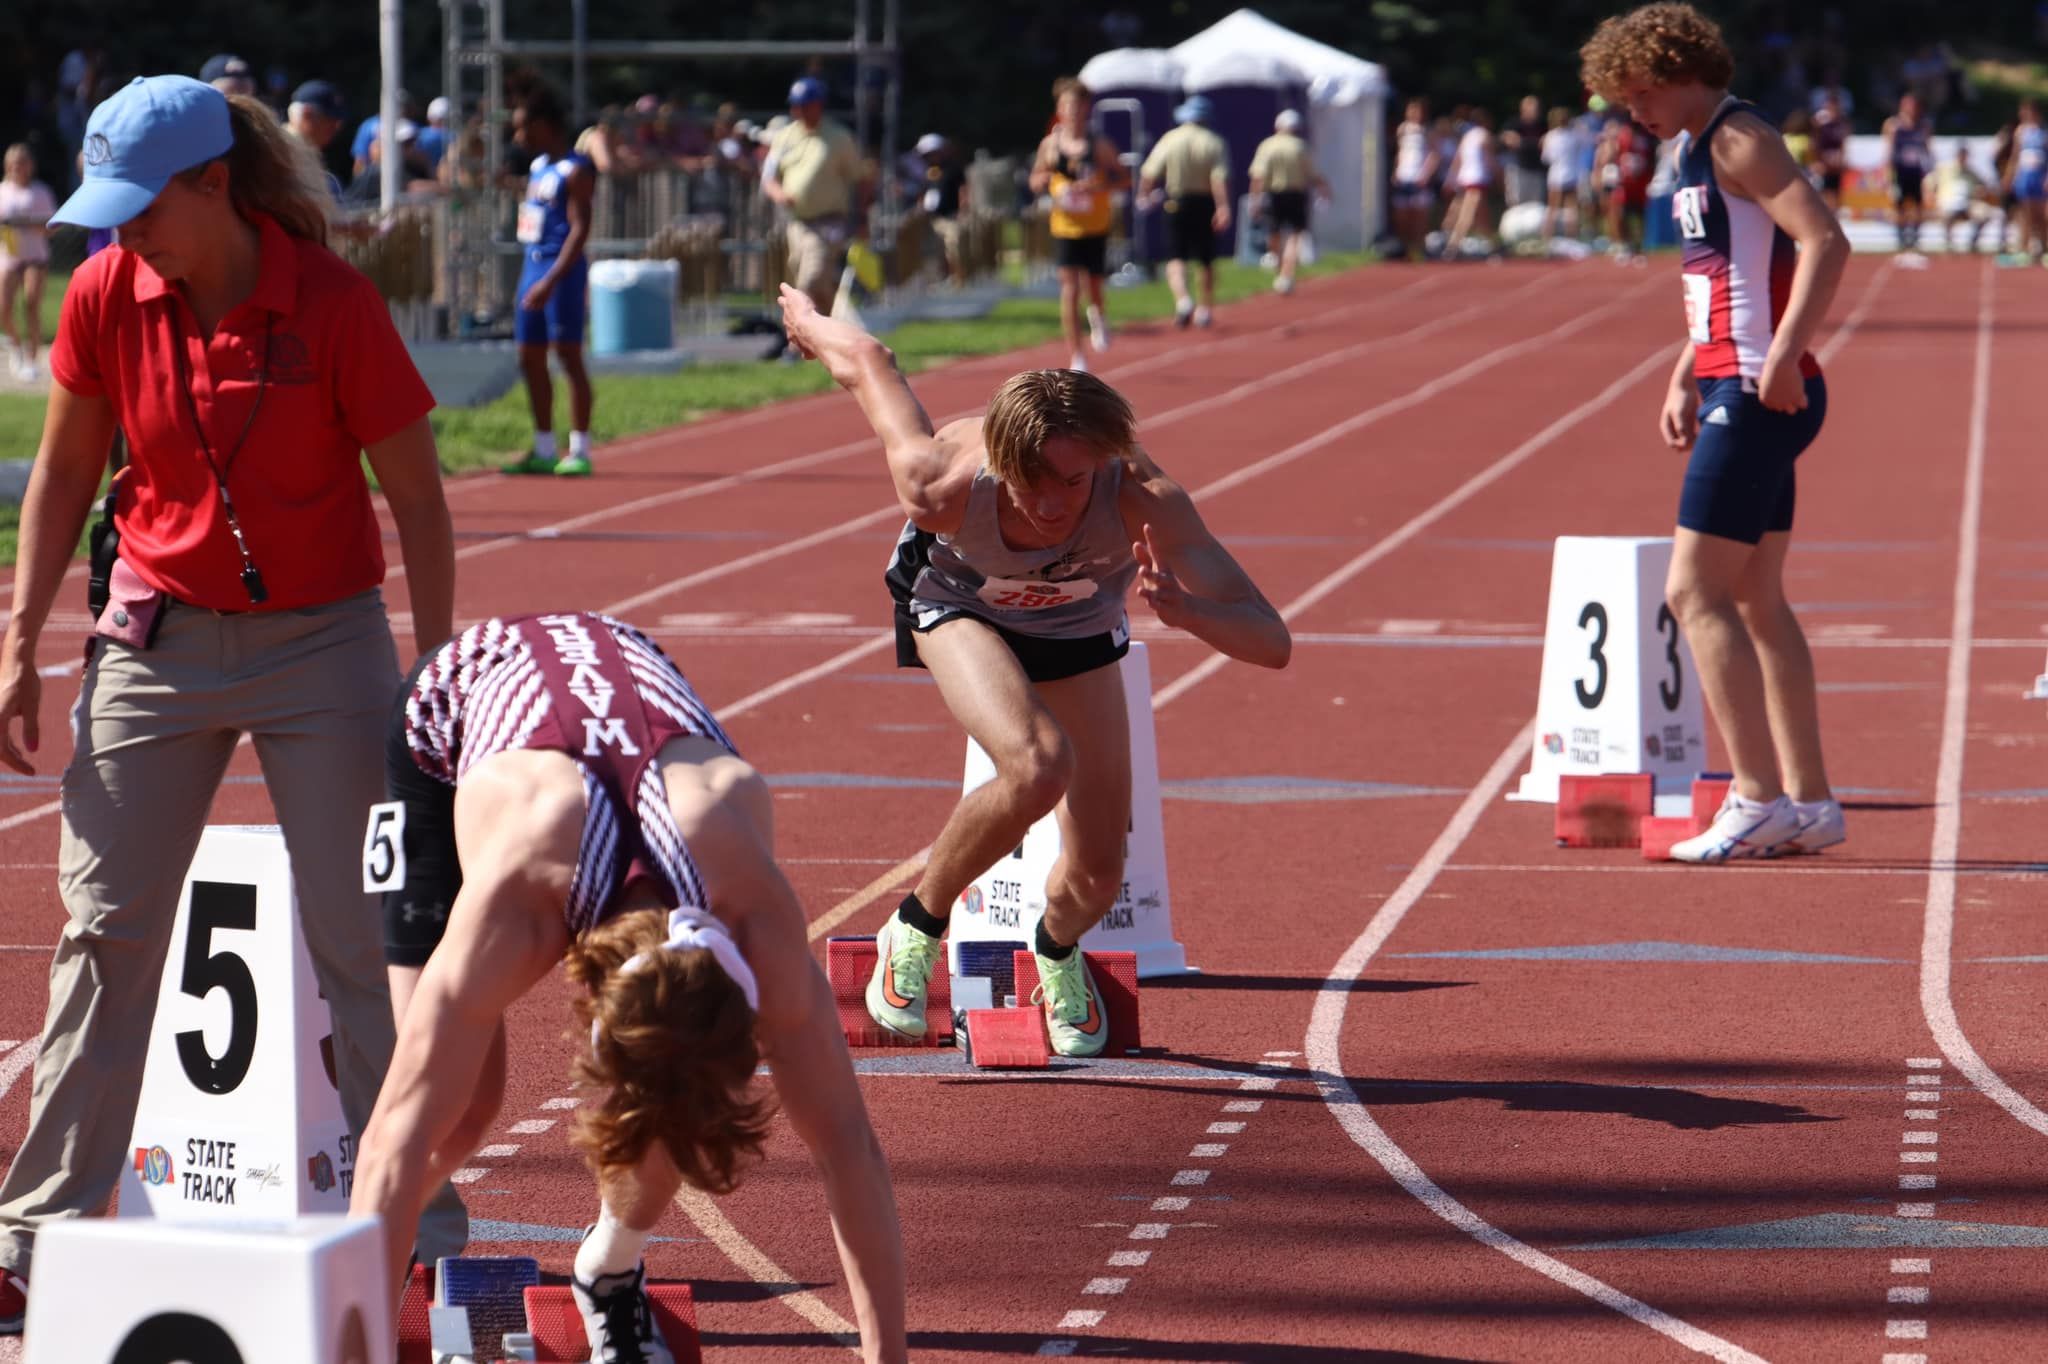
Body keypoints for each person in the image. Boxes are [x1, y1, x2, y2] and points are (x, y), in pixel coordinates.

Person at [0, 76, 464, 1331]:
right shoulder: (105, 290)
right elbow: (62, 473)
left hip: (325, 642)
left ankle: (415, 1227)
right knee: (102, 931)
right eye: (107, 211)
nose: (120, 232)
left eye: (141, 206)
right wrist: (19, 636)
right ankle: (35, 1234)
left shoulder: (334, 303)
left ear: (215, 184)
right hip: (151, 638)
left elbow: (419, 499)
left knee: (369, 937)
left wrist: (437, 676)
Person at [350, 611, 907, 1364]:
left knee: (674, 1096)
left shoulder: (750, 903)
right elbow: (393, 1140)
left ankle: (608, 1267)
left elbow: (849, 1144)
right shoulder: (517, 902)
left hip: (629, 676)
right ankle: (356, 1271)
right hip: (450, 716)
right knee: (452, 1119)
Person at [776, 283, 1291, 1054]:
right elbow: (870, 363)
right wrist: (809, 323)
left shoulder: (1142, 498)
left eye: (1074, 482)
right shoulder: (941, 483)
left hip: (1078, 630)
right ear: (1000, 460)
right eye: (1034, 482)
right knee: (1037, 764)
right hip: (960, 608)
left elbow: (1270, 640)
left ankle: (1054, 952)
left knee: (1097, 877)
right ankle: (913, 930)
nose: (1054, 505)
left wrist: (1189, 612)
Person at [1581, 2, 1849, 862]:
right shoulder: (1691, 147)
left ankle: (1757, 795)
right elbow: (1725, 274)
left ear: (1674, 69)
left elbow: (1826, 241)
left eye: (1638, 93)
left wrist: (1782, 356)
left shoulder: (1738, 138)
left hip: (1760, 391)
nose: (1633, 112)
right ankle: (1810, 802)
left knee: (1691, 592)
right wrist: (1683, 370)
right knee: (1756, 598)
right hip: (1732, 378)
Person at [501, 87, 597, 478]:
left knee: (568, 355)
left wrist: (552, 280)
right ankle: (543, 446)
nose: (518, 138)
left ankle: (580, 448)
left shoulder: (576, 168)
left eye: (523, 128)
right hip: (532, 266)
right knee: (529, 355)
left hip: (563, 272)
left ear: (543, 126)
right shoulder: (539, 166)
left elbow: (580, 229)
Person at [1029, 78, 1125, 371]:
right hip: (1064, 226)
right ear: (1059, 109)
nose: (1072, 110)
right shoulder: (1050, 145)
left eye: (1077, 105)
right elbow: (1034, 180)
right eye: (1066, 105)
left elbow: (1123, 178)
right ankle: (1077, 354)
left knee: (1093, 285)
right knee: (1069, 287)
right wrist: (1044, 181)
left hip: (1095, 225)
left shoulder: (1099, 145)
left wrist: (1096, 188)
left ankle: (1097, 315)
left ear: (1086, 108)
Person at [763, 77, 869, 331]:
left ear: (819, 105)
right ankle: (839, 330)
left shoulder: (839, 138)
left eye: (805, 105)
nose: (799, 111)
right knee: (815, 282)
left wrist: (862, 217)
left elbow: (860, 179)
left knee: (809, 279)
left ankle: (798, 340)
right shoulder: (784, 137)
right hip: (797, 222)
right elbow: (769, 177)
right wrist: (779, 194)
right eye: (795, 105)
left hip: (829, 220)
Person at [1140, 95, 1230, 328]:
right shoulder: (1214, 142)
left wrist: (1144, 195)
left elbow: (1149, 172)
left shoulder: (1170, 139)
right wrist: (1223, 206)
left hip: (1176, 202)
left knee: (1175, 255)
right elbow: (1218, 178)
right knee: (1205, 259)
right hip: (1204, 202)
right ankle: (1204, 308)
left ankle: (1183, 299)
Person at [1249, 109, 1326, 295]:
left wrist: (1255, 200)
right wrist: (1324, 190)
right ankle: (1286, 273)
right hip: (1295, 194)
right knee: (1294, 235)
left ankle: (1281, 272)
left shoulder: (1267, 146)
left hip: (1274, 194)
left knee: (1274, 233)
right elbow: (1312, 173)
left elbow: (1258, 176)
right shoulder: (1300, 147)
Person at [0, 145, 55, 382]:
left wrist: (29, 224)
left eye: (21, 163)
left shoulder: (40, 192)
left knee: (31, 303)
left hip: (35, 256)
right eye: (13, 164)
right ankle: (15, 346)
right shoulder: (3, 191)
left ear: (29, 166)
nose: (17, 168)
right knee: (4, 306)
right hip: (9, 256)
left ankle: (32, 358)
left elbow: (52, 226)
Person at [915, 133, 971, 287]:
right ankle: (942, 278)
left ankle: (959, 277)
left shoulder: (953, 169)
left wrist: (963, 210)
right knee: (936, 251)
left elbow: (963, 190)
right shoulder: (929, 172)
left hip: (950, 216)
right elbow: (924, 192)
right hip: (932, 218)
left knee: (953, 248)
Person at [1597, 114, 1656, 260]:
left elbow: (1650, 159)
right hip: (1624, 183)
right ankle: (1624, 244)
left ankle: (1638, 246)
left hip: (1639, 183)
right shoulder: (1622, 137)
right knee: (1621, 214)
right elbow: (1610, 155)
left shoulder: (1644, 137)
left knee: (1639, 216)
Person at [1882, 92, 1933, 256]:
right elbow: (1888, 151)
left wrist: (1930, 171)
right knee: (1900, 205)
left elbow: (1927, 149)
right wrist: (1888, 175)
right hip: (1900, 171)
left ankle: (1915, 238)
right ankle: (1901, 238)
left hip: (1917, 171)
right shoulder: (1893, 125)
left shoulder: (1923, 126)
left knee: (1918, 205)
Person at [1441, 107, 1496, 257]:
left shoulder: (1467, 137)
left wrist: (1451, 180)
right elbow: (1490, 160)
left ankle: (1492, 244)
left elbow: (1457, 160)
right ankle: (1454, 245)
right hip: (1477, 179)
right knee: (1468, 213)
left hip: (1465, 178)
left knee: (1482, 215)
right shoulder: (1484, 135)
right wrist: (1500, 178)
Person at [1389, 98, 1437, 259]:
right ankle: (1405, 247)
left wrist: (1426, 174)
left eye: (1418, 111)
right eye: (1412, 110)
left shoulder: (1428, 131)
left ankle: (1419, 247)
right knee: (1401, 214)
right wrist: (1396, 171)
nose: (1415, 114)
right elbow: (1399, 152)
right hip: (1404, 176)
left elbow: (1433, 154)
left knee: (1420, 215)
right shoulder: (1403, 129)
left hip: (1419, 177)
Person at [2004, 100, 2047, 265]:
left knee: (2041, 215)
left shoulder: (2044, 132)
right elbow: (2015, 157)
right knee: (2025, 214)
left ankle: (2044, 250)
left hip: (2040, 176)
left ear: (2035, 112)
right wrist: (2010, 176)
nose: (2023, 115)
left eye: (2026, 111)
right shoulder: (2021, 132)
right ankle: (2024, 249)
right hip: (2025, 177)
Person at [1933, 143, 1989, 255]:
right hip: (1948, 204)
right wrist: (1935, 199)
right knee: (1946, 215)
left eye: (1964, 155)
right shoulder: (1944, 170)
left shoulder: (1972, 172)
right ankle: (1949, 244)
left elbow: (1984, 186)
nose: (1962, 157)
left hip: (1968, 204)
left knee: (1984, 214)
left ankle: (1973, 243)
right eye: (1960, 154)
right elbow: (1928, 184)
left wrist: (1980, 192)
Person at [1541, 106, 1584, 241]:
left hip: (1556, 174)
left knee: (1553, 208)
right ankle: (1572, 237)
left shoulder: (1550, 137)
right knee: (1571, 207)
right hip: (1571, 173)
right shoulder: (1574, 136)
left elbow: (1546, 158)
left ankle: (1547, 236)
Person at [1810, 89, 1848, 215]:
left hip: (1835, 165)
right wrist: (1817, 161)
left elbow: (1843, 143)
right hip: (1823, 164)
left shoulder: (1842, 123)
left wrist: (1842, 159)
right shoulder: (1820, 123)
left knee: (1836, 194)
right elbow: (1815, 144)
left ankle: (1834, 218)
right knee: (1823, 194)